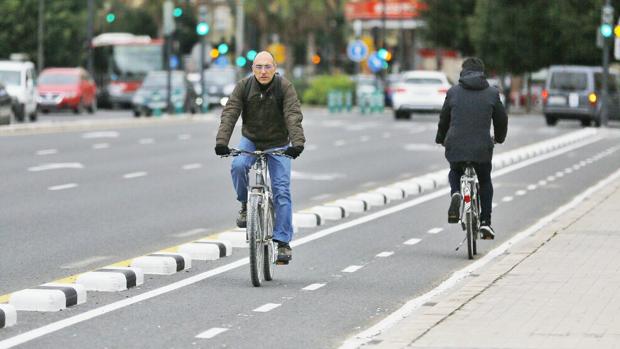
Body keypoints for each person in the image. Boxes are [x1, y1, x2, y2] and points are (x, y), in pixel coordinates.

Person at [214, 51, 305, 263]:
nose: (263, 71)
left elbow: (293, 115)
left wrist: (297, 144)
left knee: (281, 190)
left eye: (267, 67)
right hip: (251, 139)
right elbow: (230, 113)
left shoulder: (285, 88)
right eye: (258, 67)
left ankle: (282, 242)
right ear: (252, 69)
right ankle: (246, 206)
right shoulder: (244, 87)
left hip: (278, 143)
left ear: (275, 69)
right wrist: (222, 142)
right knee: (238, 165)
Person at [435, 57, 508, 240]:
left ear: (463, 72)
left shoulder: (453, 92)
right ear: (482, 73)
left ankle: (456, 193)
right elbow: (501, 119)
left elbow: (444, 119)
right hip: (482, 148)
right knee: (484, 180)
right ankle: (485, 222)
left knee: (454, 171)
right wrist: (499, 138)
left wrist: (440, 138)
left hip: (456, 145)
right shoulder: (492, 93)